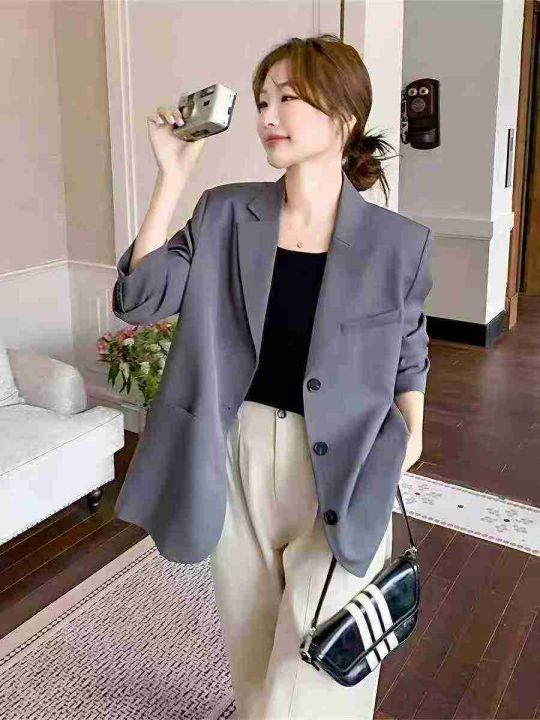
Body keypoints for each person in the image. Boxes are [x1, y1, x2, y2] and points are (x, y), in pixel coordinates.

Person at [115, 33, 431, 720]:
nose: (267, 115)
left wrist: (412, 432)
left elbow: (410, 346)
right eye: (262, 100)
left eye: (288, 98)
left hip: (349, 464)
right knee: (254, 650)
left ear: (343, 115)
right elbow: (140, 299)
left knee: (313, 669)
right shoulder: (226, 212)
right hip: (240, 455)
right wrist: (172, 178)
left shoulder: (399, 243)